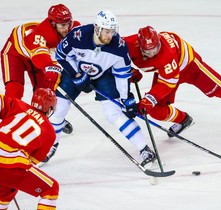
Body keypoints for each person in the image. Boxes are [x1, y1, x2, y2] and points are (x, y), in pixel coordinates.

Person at [44, 10, 156, 167]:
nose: (110, 35)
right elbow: (61, 55)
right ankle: (49, 147)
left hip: (104, 75)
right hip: (77, 70)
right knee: (58, 109)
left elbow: (122, 75)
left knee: (113, 113)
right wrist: (76, 74)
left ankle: (144, 149)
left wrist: (126, 98)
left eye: (112, 31)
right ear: (97, 28)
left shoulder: (119, 47)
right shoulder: (79, 35)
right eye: (107, 31)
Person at [123, 26, 221, 136]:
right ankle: (183, 119)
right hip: (165, 73)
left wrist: (148, 100)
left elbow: (167, 83)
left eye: (155, 49)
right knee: (155, 110)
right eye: (147, 51)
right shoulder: (129, 44)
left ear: (159, 42)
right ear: (139, 44)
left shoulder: (166, 54)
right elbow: (113, 53)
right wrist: (126, 69)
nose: (151, 53)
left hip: (190, 68)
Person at [0, 4, 80, 134]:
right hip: (15, 54)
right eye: (62, 25)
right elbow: (40, 58)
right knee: (14, 90)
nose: (66, 28)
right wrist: (52, 68)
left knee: (44, 91)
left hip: (37, 55)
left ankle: (44, 119)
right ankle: (9, 124)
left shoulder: (73, 28)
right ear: (53, 24)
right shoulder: (40, 34)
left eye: (68, 23)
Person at [0, 88, 59, 210]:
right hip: (11, 166)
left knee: (5, 193)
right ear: (50, 109)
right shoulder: (49, 132)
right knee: (51, 189)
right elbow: (33, 161)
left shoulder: (18, 105)